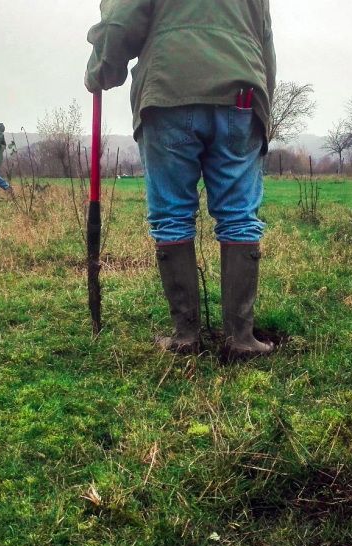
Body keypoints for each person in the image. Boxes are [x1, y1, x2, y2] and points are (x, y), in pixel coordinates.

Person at [85, 0, 276, 359]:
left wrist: (102, 71)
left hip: (168, 91)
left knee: (172, 215)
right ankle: (241, 338)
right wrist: (262, 108)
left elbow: (119, 22)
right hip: (241, 91)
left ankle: (186, 336)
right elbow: (266, 44)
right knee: (238, 217)